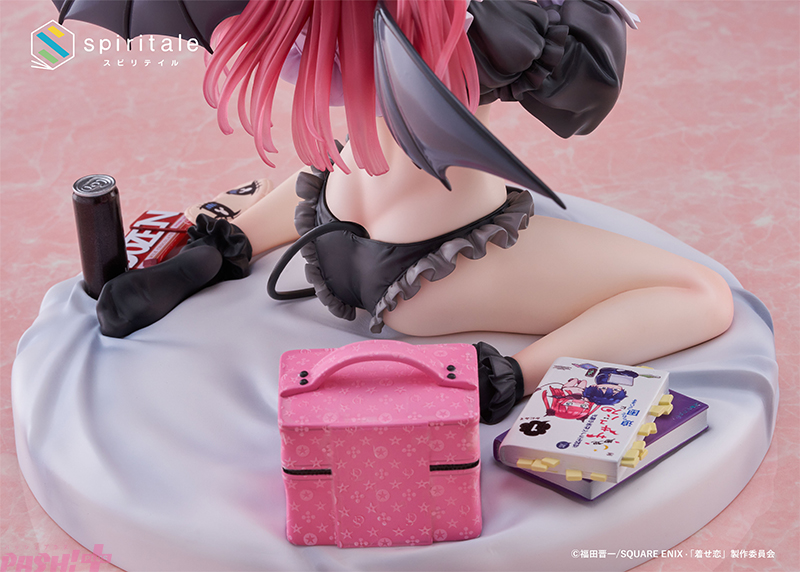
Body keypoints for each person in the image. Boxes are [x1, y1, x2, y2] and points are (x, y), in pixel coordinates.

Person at [95, 0, 733, 424]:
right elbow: (583, 95)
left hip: (331, 217)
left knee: (347, 151)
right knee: (701, 292)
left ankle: (219, 248)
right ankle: (503, 378)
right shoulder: (481, 10)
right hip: (432, 268)